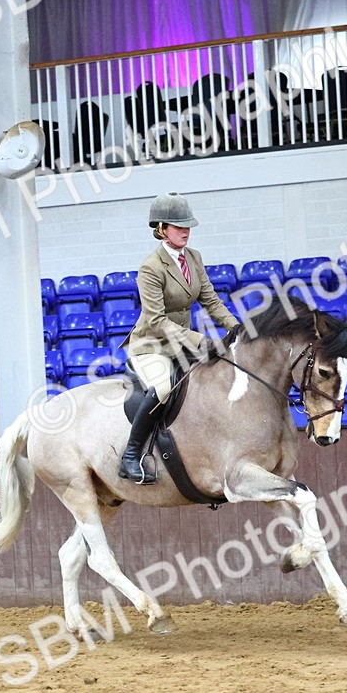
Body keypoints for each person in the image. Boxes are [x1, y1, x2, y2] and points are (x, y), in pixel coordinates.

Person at [119, 191, 241, 484]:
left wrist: (237, 328)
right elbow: (157, 320)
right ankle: (131, 455)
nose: (185, 231)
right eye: (178, 226)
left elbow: (210, 299)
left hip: (181, 342)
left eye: (187, 226)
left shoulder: (194, 258)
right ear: (161, 229)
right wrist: (200, 341)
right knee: (163, 388)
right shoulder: (150, 267)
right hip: (152, 345)